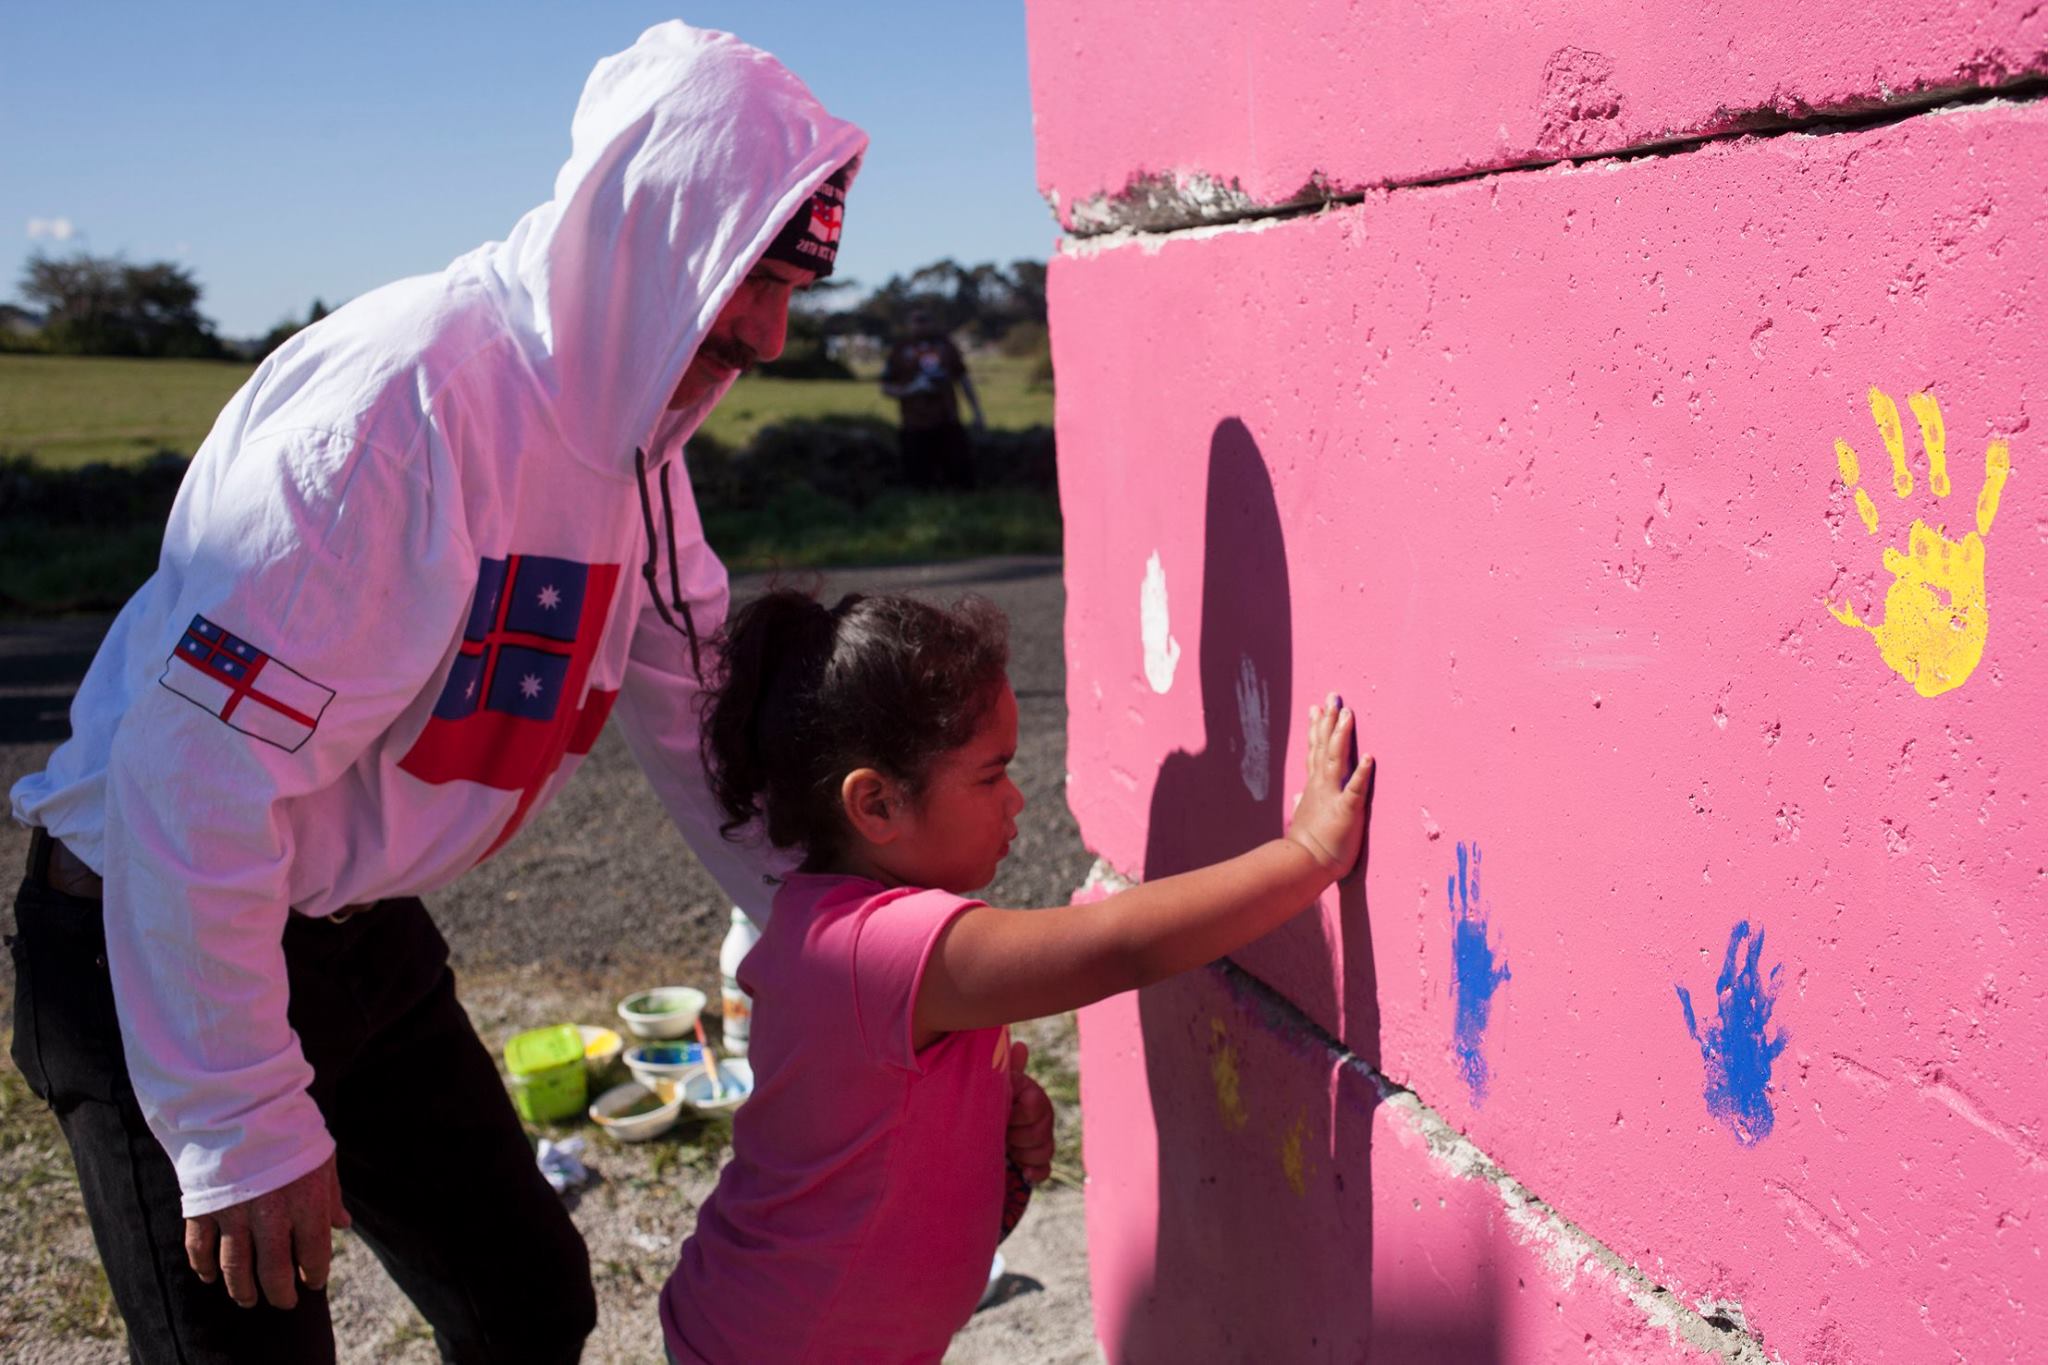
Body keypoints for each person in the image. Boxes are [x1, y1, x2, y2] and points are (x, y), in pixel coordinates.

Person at [7, 23, 865, 1364]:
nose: (770, 331)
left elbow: (701, 714)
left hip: (355, 932)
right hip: (156, 926)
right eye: (749, 274)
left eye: (798, 282)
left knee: (527, 1299)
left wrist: (829, 941)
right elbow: (192, 776)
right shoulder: (400, 418)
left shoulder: (644, 440)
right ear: (639, 232)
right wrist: (241, 1121)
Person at [661, 588, 1373, 1363]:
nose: (1016, 799)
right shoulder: (884, 947)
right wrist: (1304, 856)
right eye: (990, 774)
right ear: (876, 803)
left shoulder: (836, 926)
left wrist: (974, 1143)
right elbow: (1116, 946)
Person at [880, 309, 985, 488]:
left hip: (947, 420)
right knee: (918, 479)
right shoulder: (900, 349)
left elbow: (963, 380)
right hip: (914, 424)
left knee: (959, 476)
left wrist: (977, 411)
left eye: (925, 321)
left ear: (932, 323)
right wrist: (910, 390)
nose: (921, 326)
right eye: (916, 322)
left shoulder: (946, 346)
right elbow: (885, 387)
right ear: (909, 324)